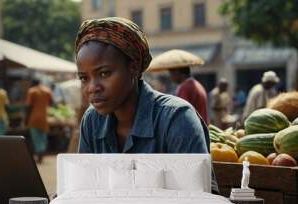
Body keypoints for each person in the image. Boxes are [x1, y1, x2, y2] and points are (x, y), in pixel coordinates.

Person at [75, 17, 218, 193]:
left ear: (134, 68)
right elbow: (83, 191)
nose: (92, 88)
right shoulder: (91, 121)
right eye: (84, 78)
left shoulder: (177, 119)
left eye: (104, 73)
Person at [25, 79, 54, 163]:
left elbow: (28, 106)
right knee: (43, 138)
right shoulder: (47, 90)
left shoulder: (31, 91)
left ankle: (39, 155)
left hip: (33, 118)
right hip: (44, 118)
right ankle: (41, 154)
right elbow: (52, 103)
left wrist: (26, 119)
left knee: (36, 138)